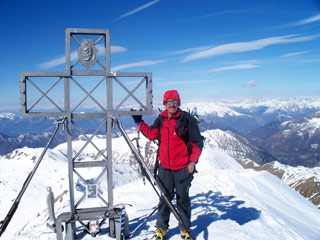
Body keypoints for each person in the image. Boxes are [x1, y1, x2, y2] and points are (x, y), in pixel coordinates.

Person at [131, 90, 203, 240]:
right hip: (165, 168)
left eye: (174, 101)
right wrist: (139, 122)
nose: (171, 104)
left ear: (179, 103)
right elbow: (152, 135)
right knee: (164, 199)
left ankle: (185, 230)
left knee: (182, 199)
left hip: (183, 167)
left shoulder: (187, 120)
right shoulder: (161, 119)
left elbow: (197, 143)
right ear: (164, 104)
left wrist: (192, 162)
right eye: (168, 101)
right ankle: (161, 229)